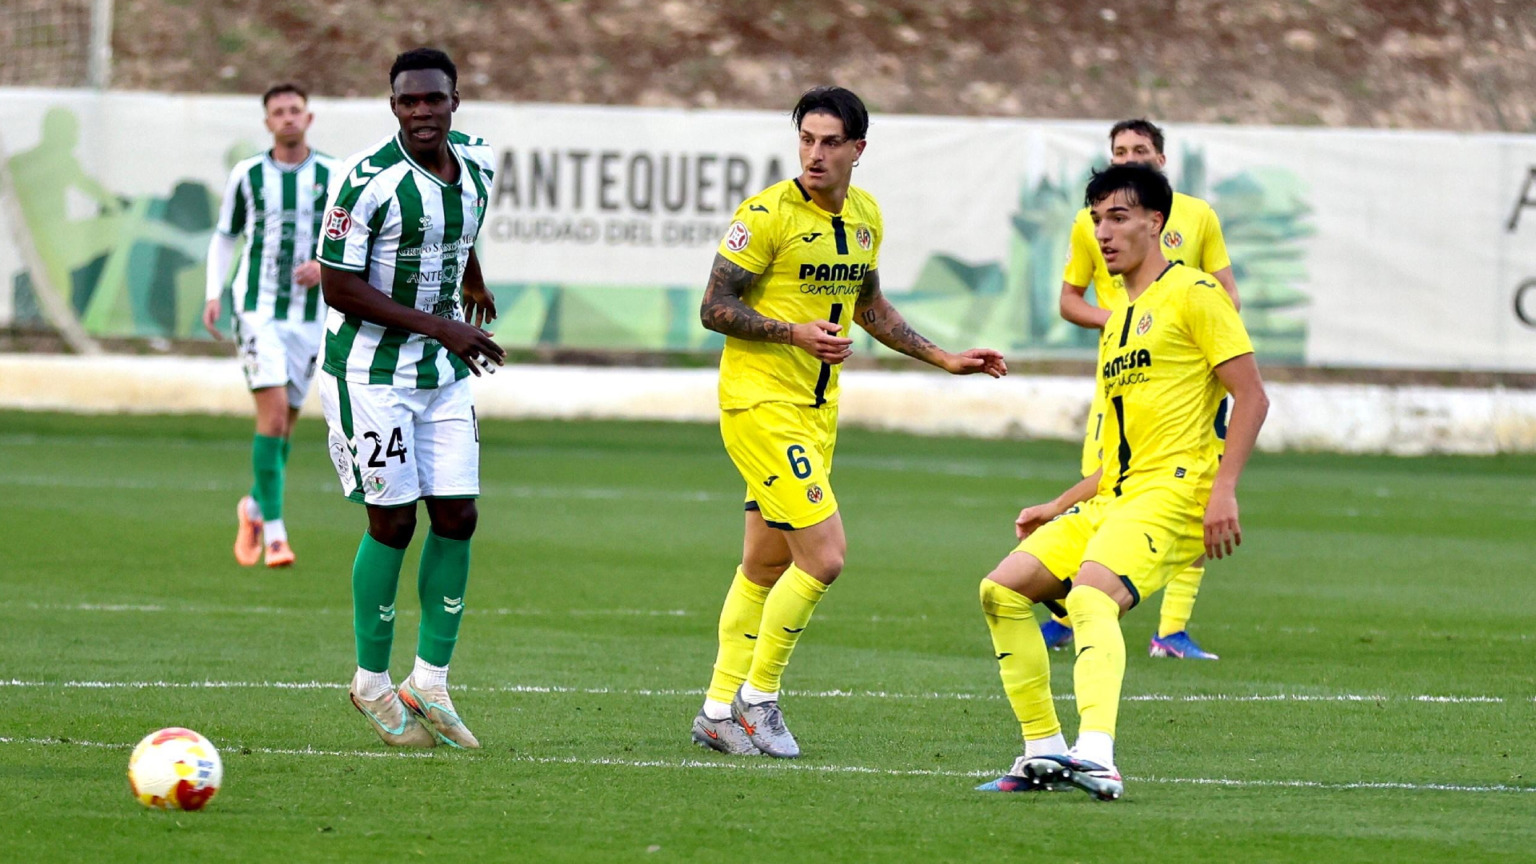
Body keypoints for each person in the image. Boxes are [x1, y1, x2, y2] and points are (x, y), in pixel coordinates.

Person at [693, 86, 1008, 759]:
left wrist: (943, 358)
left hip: (817, 413)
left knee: (764, 563)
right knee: (826, 557)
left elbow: (869, 306)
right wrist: (792, 332)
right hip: (761, 406)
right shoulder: (766, 214)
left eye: (830, 142)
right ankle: (758, 698)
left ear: (858, 149)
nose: (815, 154)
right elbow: (714, 306)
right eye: (806, 139)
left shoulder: (865, 216)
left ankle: (717, 711)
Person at [975, 163, 1268, 799]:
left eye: (1118, 217)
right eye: (1096, 220)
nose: (1103, 233)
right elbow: (1121, 454)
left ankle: (1098, 757)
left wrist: (1224, 489)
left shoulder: (1195, 293)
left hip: (1177, 491)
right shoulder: (1117, 321)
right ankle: (1044, 753)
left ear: (1156, 223)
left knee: (1090, 598)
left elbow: (1252, 396)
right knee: (1001, 591)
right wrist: (1059, 503)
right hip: (1117, 496)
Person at [316, 48, 505, 749]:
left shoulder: (479, 161)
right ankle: (370, 682)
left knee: (458, 515)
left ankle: (429, 682)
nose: (422, 112)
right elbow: (339, 286)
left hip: (442, 371)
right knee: (394, 523)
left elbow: (457, 227)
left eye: (433, 99)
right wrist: (442, 324)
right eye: (408, 101)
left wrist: (471, 279)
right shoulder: (365, 180)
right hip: (369, 376)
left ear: (456, 100)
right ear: (392, 105)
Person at [1043, 118, 1241, 660]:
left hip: (1181, 378)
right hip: (1120, 379)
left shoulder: (1197, 216)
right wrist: (1121, 322)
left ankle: (1170, 630)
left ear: (1161, 159)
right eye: (1120, 151)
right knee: (1105, 487)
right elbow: (1069, 300)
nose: (1129, 157)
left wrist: (1193, 331)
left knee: (1189, 492)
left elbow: (1226, 293)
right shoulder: (1090, 221)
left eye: (1140, 149)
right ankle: (1069, 612)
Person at [202, 84, 338, 568]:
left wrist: (325, 265)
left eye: (295, 110)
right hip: (256, 308)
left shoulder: (335, 174)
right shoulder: (248, 175)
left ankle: (254, 509)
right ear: (267, 123)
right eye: (278, 112)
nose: (287, 118)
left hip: (312, 316)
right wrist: (214, 293)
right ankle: (276, 537)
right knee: (274, 417)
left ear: (309, 117)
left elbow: (354, 240)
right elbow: (225, 237)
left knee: (286, 425)